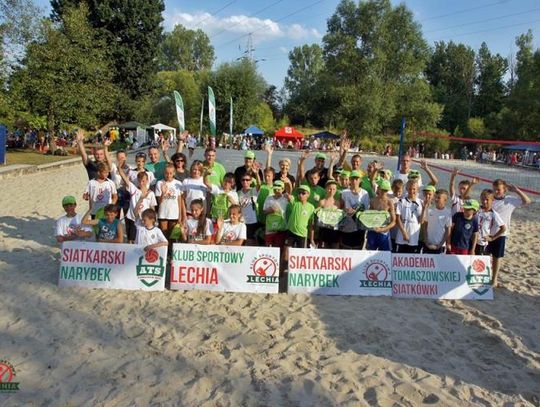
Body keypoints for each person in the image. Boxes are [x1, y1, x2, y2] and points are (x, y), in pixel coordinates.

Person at [491, 179, 532, 285]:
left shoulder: (510, 200)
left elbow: (527, 201)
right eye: (494, 189)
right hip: (487, 232)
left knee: (497, 257)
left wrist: (517, 190)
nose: (496, 192)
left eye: (498, 190)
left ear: (504, 190)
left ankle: (494, 279)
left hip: (501, 233)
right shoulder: (490, 199)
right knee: (485, 255)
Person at [116, 165, 157, 244]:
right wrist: (119, 168)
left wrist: (153, 219)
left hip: (145, 220)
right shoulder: (134, 189)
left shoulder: (151, 193)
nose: (141, 183)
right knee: (131, 239)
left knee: (143, 239)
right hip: (133, 218)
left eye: (143, 181)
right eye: (140, 181)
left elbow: (152, 208)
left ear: (147, 180)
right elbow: (125, 179)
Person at [476, 189, 506, 286]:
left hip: (482, 242)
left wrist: (492, 238)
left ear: (492, 200)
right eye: (483, 199)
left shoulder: (494, 214)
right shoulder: (476, 210)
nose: (484, 201)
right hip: (472, 241)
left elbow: (503, 228)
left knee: (481, 262)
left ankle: (482, 282)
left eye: (487, 200)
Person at [339, 170, 370, 250]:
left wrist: (358, 212)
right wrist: (345, 210)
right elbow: (341, 207)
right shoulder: (344, 192)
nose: (354, 181)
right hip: (347, 226)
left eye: (356, 179)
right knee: (346, 250)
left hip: (359, 226)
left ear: (360, 180)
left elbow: (366, 210)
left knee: (358, 250)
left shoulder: (365, 193)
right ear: (349, 180)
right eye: (352, 179)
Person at [155, 163, 185, 239]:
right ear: (164, 173)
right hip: (163, 213)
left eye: (171, 173)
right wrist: (163, 193)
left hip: (174, 214)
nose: (168, 175)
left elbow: (179, 200)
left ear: (174, 173)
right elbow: (159, 202)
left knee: (173, 236)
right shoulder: (160, 183)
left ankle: (171, 251)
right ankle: (164, 251)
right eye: (166, 173)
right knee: (163, 235)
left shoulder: (178, 183)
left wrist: (180, 216)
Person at [365, 179, 396, 251]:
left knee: (385, 255)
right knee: (369, 254)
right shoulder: (373, 201)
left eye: (379, 187)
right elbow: (368, 217)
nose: (378, 189)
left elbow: (393, 222)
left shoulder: (389, 202)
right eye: (379, 187)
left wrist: (382, 229)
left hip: (384, 233)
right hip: (373, 231)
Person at [420, 189, 452, 254]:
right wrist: (426, 241)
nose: (436, 199)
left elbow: (448, 231)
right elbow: (425, 227)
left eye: (439, 198)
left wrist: (440, 244)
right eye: (436, 197)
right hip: (427, 245)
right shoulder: (429, 210)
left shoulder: (448, 213)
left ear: (445, 200)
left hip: (440, 246)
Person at [395, 180, 423, 253]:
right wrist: (404, 233)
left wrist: (425, 207)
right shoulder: (401, 201)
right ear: (406, 189)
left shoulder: (420, 202)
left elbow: (421, 221)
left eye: (414, 189)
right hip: (402, 237)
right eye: (410, 188)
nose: (412, 191)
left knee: (411, 260)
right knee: (400, 259)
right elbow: (398, 219)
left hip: (414, 238)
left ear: (417, 189)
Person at [315, 180, 343, 249]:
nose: (332, 191)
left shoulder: (338, 203)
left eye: (334, 189)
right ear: (326, 189)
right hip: (324, 232)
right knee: (323, 253)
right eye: (330, 188)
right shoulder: (322, 202)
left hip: (334, 232)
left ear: (336, 190)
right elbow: (317, 217)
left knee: (334, 253)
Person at [263, 180, 290, 248]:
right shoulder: (268, 198)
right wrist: (271, 210)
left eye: (278, 189)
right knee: (268, 248)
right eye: (275, 189)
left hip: (281, 228)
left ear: (283, 189)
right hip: (269, 228)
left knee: (279, 248)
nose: (276, 191)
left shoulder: (286, 199)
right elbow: (264, 212)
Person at [238, 172, 260, 246]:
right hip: (241, 221)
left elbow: (259, 185)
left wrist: (256, 173)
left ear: (251, 181)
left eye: (247, 180)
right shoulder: (238, 193)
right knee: (241, 241)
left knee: (250, 242)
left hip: (252, 221)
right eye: (243, 180)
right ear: (241, 181)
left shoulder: (253, 191)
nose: (245, 182)